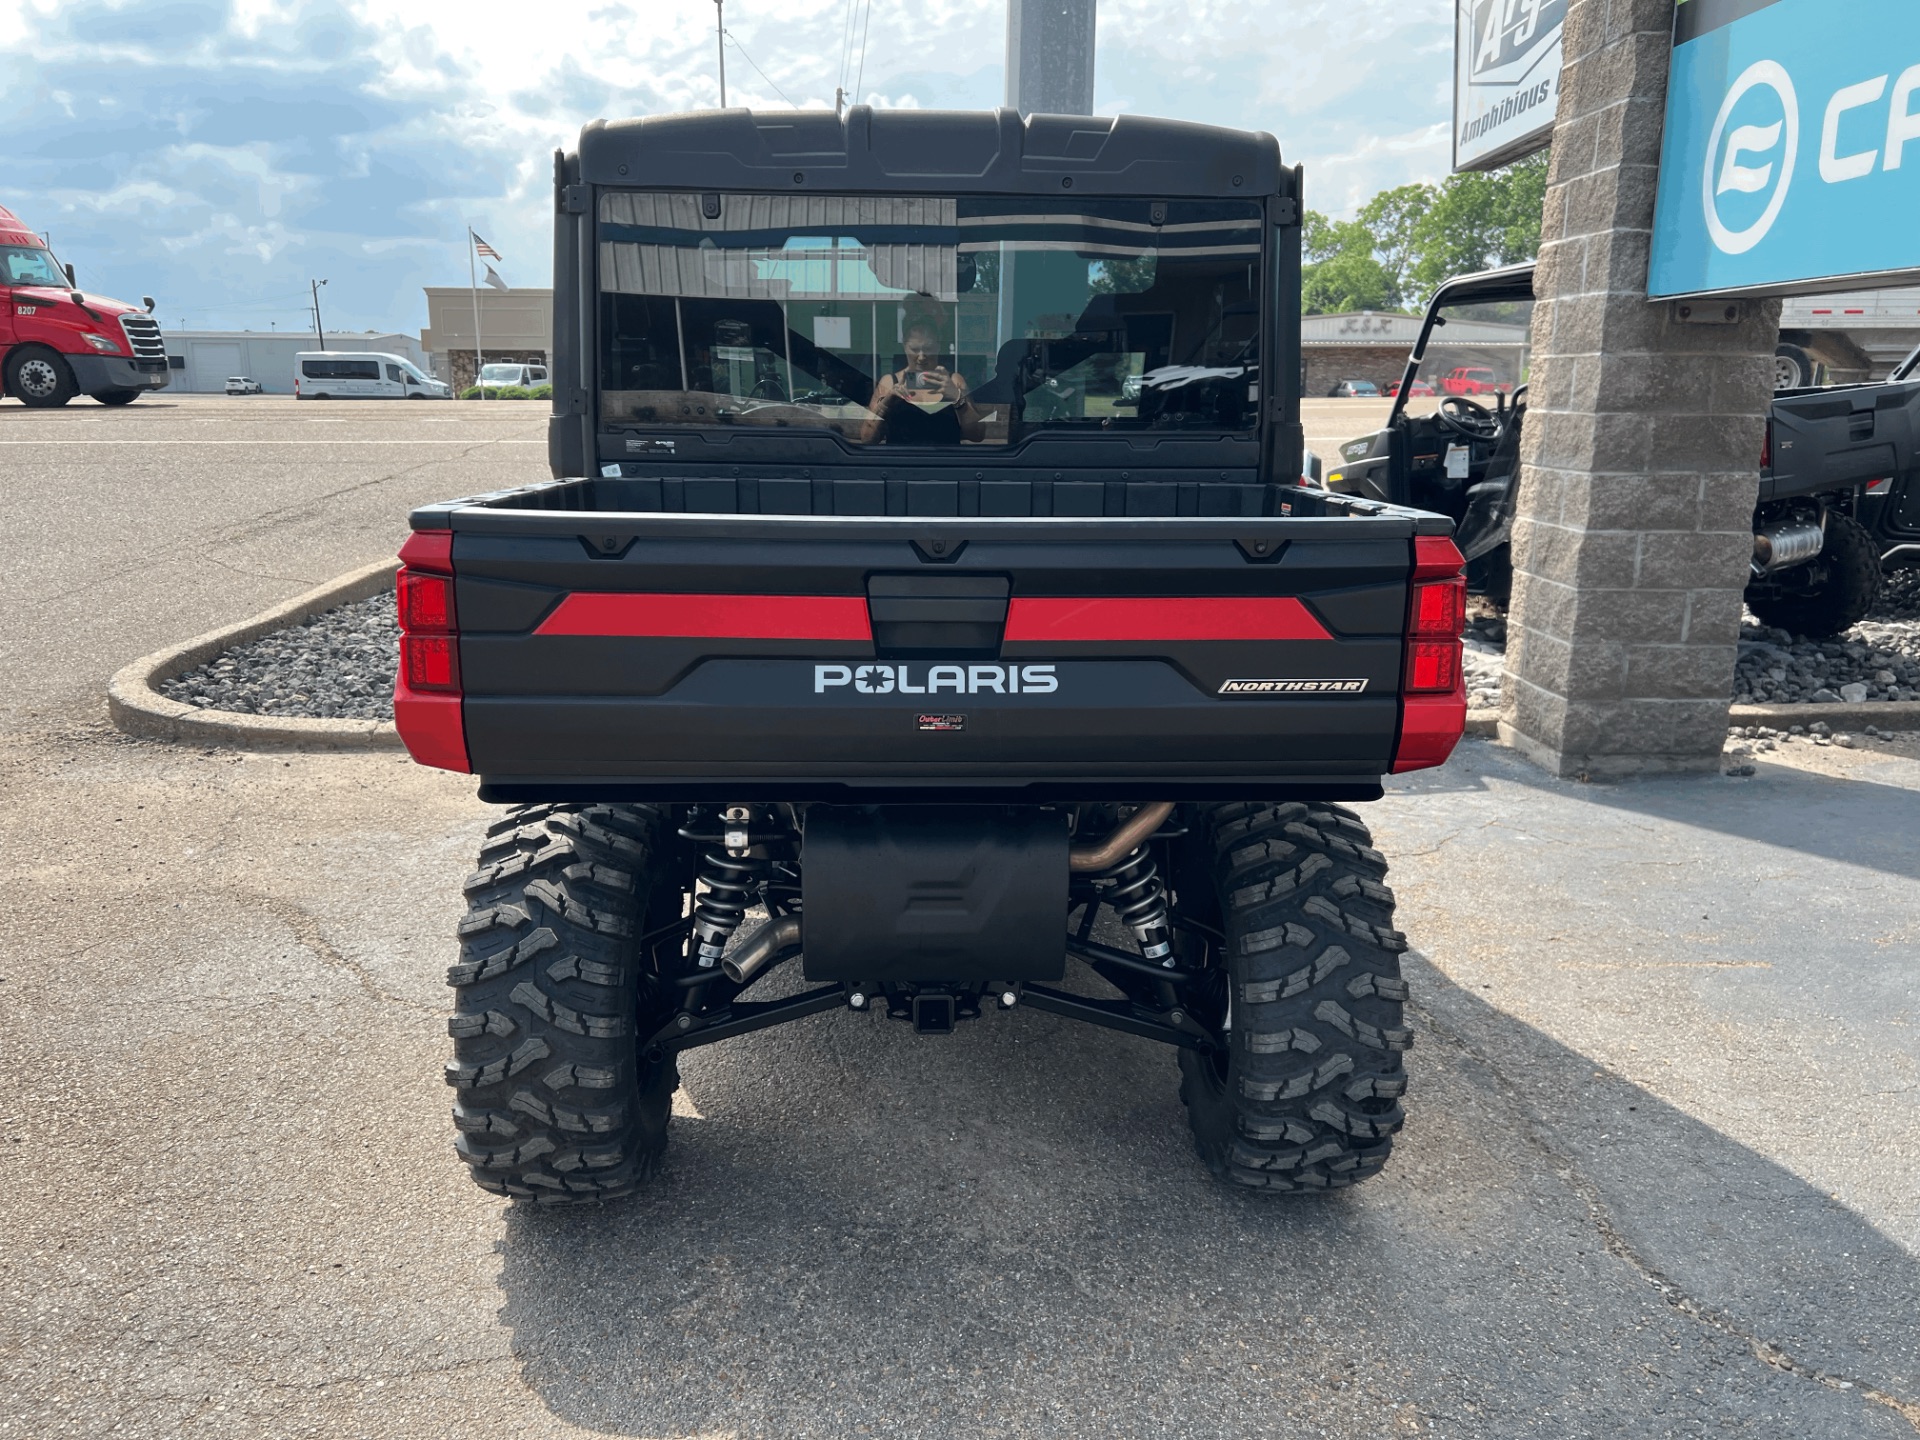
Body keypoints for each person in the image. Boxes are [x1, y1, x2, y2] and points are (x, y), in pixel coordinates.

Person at [862, 322, 984, 444]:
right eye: (915, 350)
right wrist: (886, 403)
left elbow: (977, 435)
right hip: (902, 460)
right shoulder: (890, 382)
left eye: (928, 349)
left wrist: (957, 399)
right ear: (905, 347)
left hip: (945, 460)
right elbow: (867, 438)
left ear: (937, 347)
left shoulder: (953, 381)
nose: (921, 357)